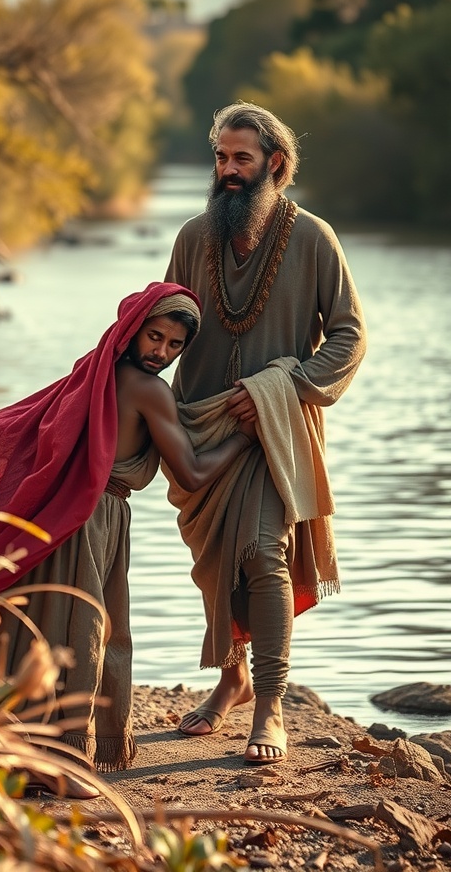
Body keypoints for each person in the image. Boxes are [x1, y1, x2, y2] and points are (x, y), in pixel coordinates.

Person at [0, 281, 256, 794]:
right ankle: (59, 763)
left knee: (35, 627)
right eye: (154, 337)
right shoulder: (147, 389)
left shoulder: (92, 372)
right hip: (91, 520)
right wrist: (247, 436)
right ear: (132, 328)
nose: (161, 352)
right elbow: (194, 472)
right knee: (79, 632)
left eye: (175, 345)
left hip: (56, 516)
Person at [163, 102, 367, 767]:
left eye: (240, 158)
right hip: (198, 426)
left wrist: (287, 389)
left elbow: (349, 335)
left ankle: (270, 703)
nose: (227, 170)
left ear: (274, 163)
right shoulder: (195, 237)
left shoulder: (313, 238)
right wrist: (121, 392)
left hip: (277, 431)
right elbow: (162, 323)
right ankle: (232, 678)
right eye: (220, 157)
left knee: (261, 550)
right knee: (216, 562)